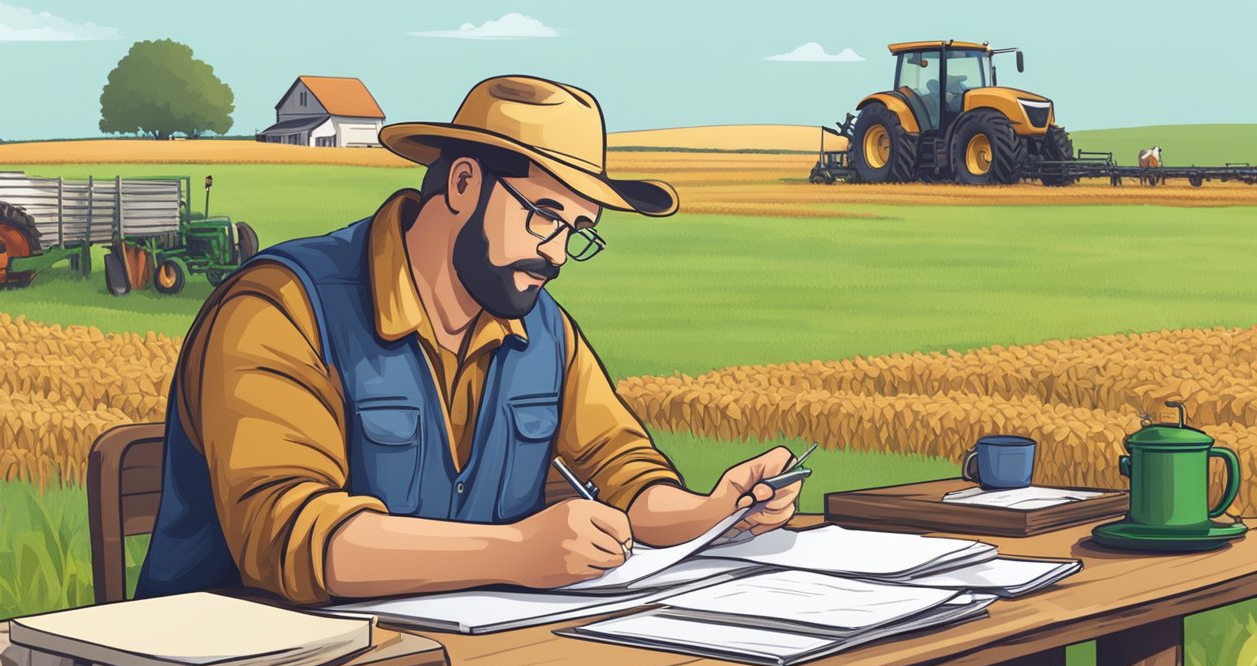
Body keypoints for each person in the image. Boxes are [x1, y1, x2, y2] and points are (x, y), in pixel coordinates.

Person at [135, 75, 803, 604]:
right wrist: (514, 550)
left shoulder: (543, 331)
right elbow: (289, 537)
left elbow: (620, 472)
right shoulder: (280, 309)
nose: (558, 255)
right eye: (545, 216)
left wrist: (713, 512)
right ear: (463, 184)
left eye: (578, 231)